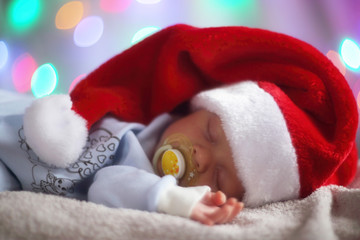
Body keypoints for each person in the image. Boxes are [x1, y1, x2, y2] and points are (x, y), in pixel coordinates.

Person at [1, 24, 358, 226]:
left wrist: (178, 201)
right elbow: (110, 180)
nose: (201, 158)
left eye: (218, 177)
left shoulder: (150, 178)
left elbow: (111, 190)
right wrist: (172, 198)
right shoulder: (138, 131)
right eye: (209, 133)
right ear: (192, 110)